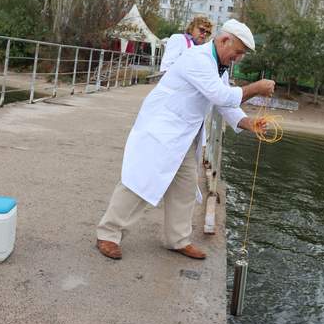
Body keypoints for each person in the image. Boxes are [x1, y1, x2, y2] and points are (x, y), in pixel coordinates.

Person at [96, 19, 275, 260]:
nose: (238, 58)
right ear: (224, 41)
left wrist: (249, 123)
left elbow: (226, 106)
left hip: (182, 139)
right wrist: (256, 88)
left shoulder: (216, 66)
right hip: (162, 132)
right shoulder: (197, 59)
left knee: (185, 189)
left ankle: (177, 239)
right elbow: (221, 96)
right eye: (238, 52)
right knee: (138, 183)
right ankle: (108, 234)